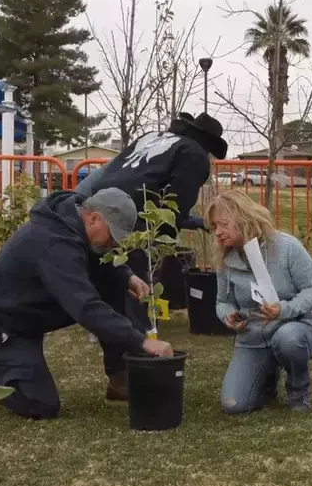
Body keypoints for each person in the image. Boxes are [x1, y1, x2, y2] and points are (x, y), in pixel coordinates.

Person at [0, 187, 175, 420]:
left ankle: (119, 377)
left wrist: (127, 276)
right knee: (40, 403)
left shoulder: (73, 223)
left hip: (27, 320)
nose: (115, 244)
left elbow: (100, 262)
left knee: (113, 283)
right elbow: (85, 308)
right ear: (94, 218)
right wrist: (142, 341)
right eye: (113, 236)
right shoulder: (54, 243)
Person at [74, 111, 227, 339]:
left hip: (97, 201)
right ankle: (140, 334)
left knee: (105, 263)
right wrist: (161, 240)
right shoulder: (194, 155)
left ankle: (102, 324)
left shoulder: (152, 136)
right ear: (208, 144)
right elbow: (174, 206)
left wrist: (79, 200)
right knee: (136, 271)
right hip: (131, 212)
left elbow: (110, 170)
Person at [206, 190, 312, 414]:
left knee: (288, 339)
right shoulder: (224, 258)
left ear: (244, 217)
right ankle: (267, 378)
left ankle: (298, 388)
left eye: (223, 224)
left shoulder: (286, 247)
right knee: (233, 405)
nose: (218, 233)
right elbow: (223, 301)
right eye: (214, 227)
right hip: (252, 338)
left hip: (293, 327)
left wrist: (284, 309)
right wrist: (229, 316)